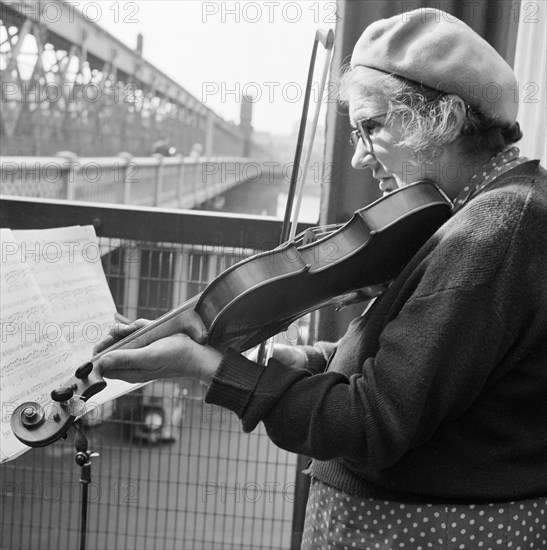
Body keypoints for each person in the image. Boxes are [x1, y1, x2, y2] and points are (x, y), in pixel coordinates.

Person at [95, 9, 547, 549]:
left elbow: (369, 423)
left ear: (442, 118)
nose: (358, 157)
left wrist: (205, 366)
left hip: (426, 535)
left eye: (371, 127)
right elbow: (433, 373)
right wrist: (314, 360)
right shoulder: (484, 214)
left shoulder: (495, 230)